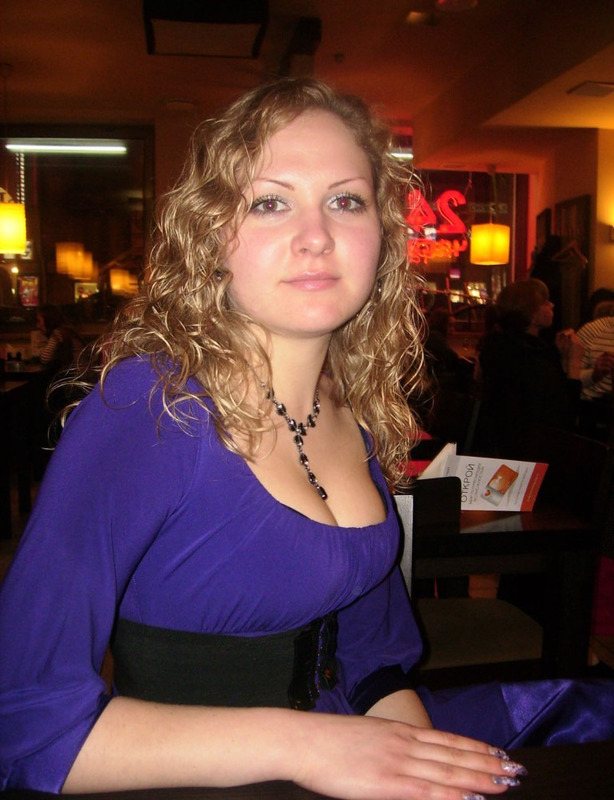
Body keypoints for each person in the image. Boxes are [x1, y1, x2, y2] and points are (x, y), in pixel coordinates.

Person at [1, 78, 612, 798]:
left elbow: (373, 658)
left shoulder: (354, 409)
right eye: (270, 202)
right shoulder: (149, 408)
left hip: (347, 740)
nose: (316, 235)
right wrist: (309, 745)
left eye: (346, 201)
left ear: (383, 237)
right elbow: (24, 721)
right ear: (210, 236)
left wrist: (427, 771)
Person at [477, 278, 584, 460]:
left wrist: (557, 355)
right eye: (545, 302)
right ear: (532, 315)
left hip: (501, 443)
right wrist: (574, 364)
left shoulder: (499, 345)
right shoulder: (529, 356)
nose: (552, 305)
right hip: (531, 452)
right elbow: (563, 417)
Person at [35, 304, 85, 371]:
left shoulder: (58, 333)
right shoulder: (66, 330)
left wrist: (41, 347)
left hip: (76, 373)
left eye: (39, 321)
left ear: (48, 320)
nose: (37, 326)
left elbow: (45, 358)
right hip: (81, 371)